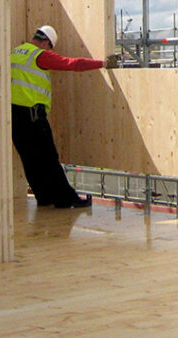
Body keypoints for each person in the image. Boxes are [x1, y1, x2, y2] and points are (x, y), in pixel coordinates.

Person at [11, 24, 118, 208]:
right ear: (46, 43)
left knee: (30, 160)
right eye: (50, 46)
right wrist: (103, 63)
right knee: (49, 159)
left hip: (14, 117)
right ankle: (66, 200)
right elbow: (72, 64)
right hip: (33, 116)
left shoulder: (15, 53)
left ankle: (44, 198)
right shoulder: (40, 55)